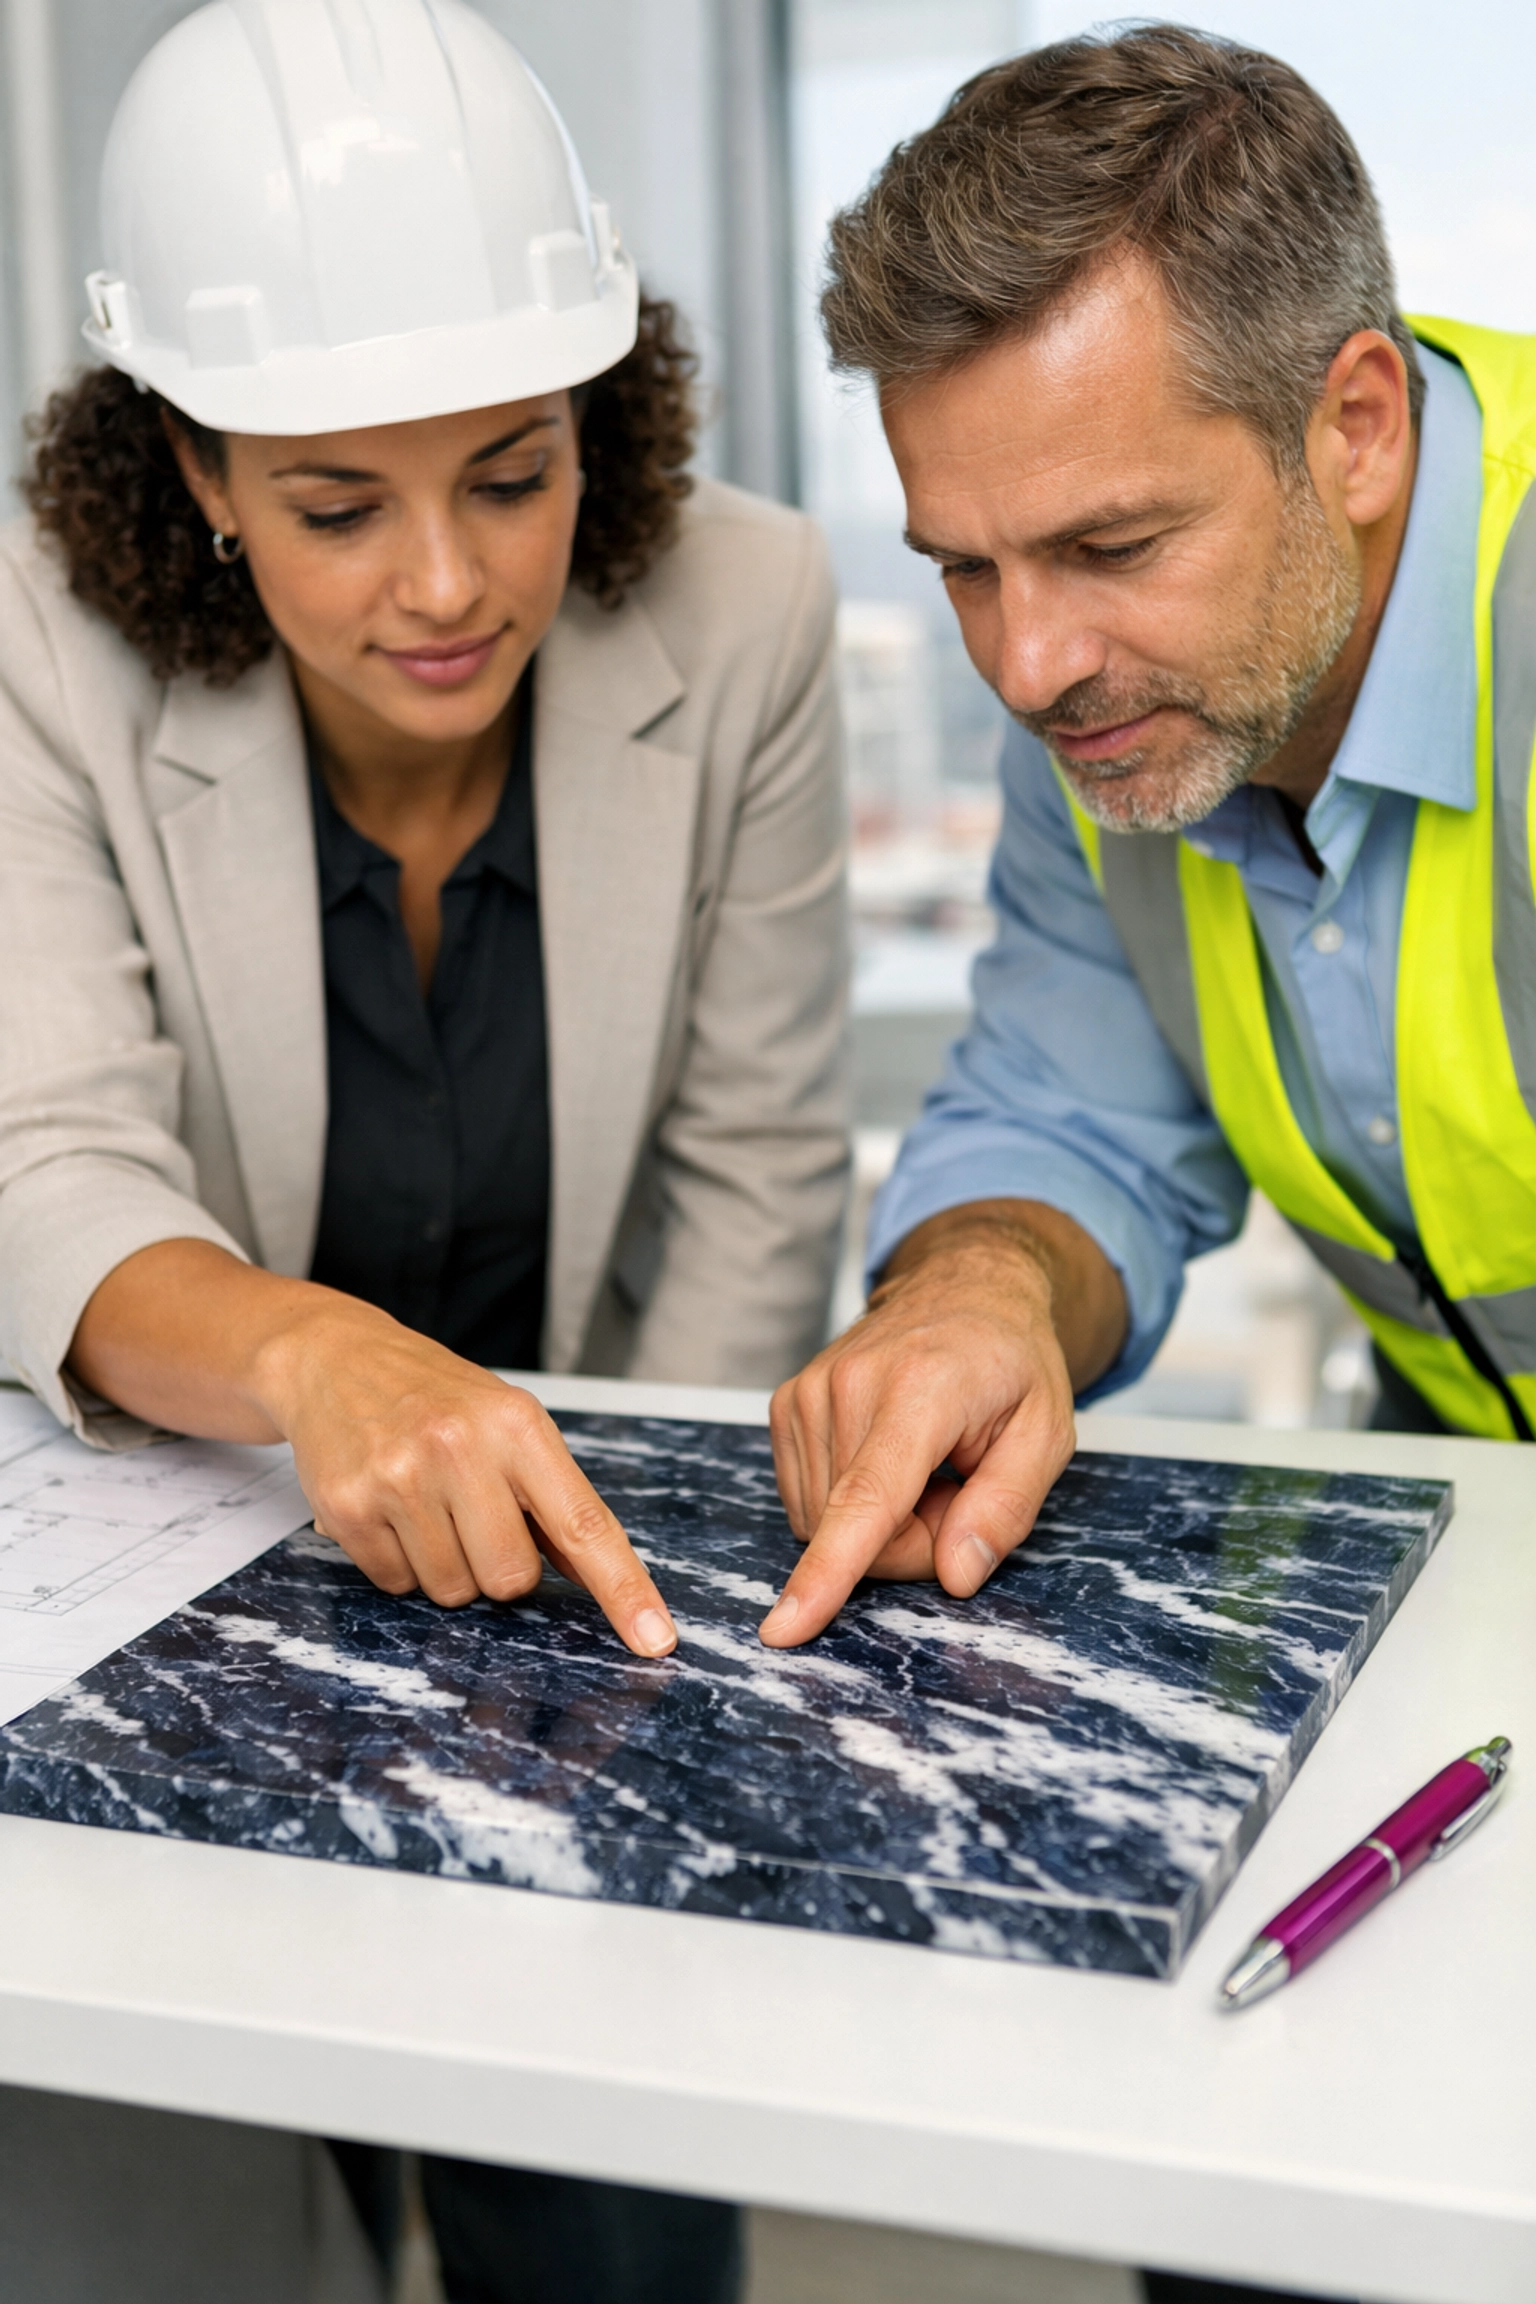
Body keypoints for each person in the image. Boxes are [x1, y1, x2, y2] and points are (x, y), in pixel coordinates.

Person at [0, 1, 846, 2297]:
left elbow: (762, 1166)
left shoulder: (749, 606)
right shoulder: (42, 649)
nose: (449, 585)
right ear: (193, 471)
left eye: (512, 468)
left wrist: (642, 1649)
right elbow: (46, 1164)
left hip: (586, 1596)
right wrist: (314, 1365)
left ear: (605, 412)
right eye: (335, 507)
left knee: (608, 2240)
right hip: (195, 1566)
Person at [763, 25, 1535, 1675]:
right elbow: (1074, 1112)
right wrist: (983, 1289)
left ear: (1358, 428)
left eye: (1112, 545)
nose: (1028, 666)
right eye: (965, 568)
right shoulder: (1134, 710)